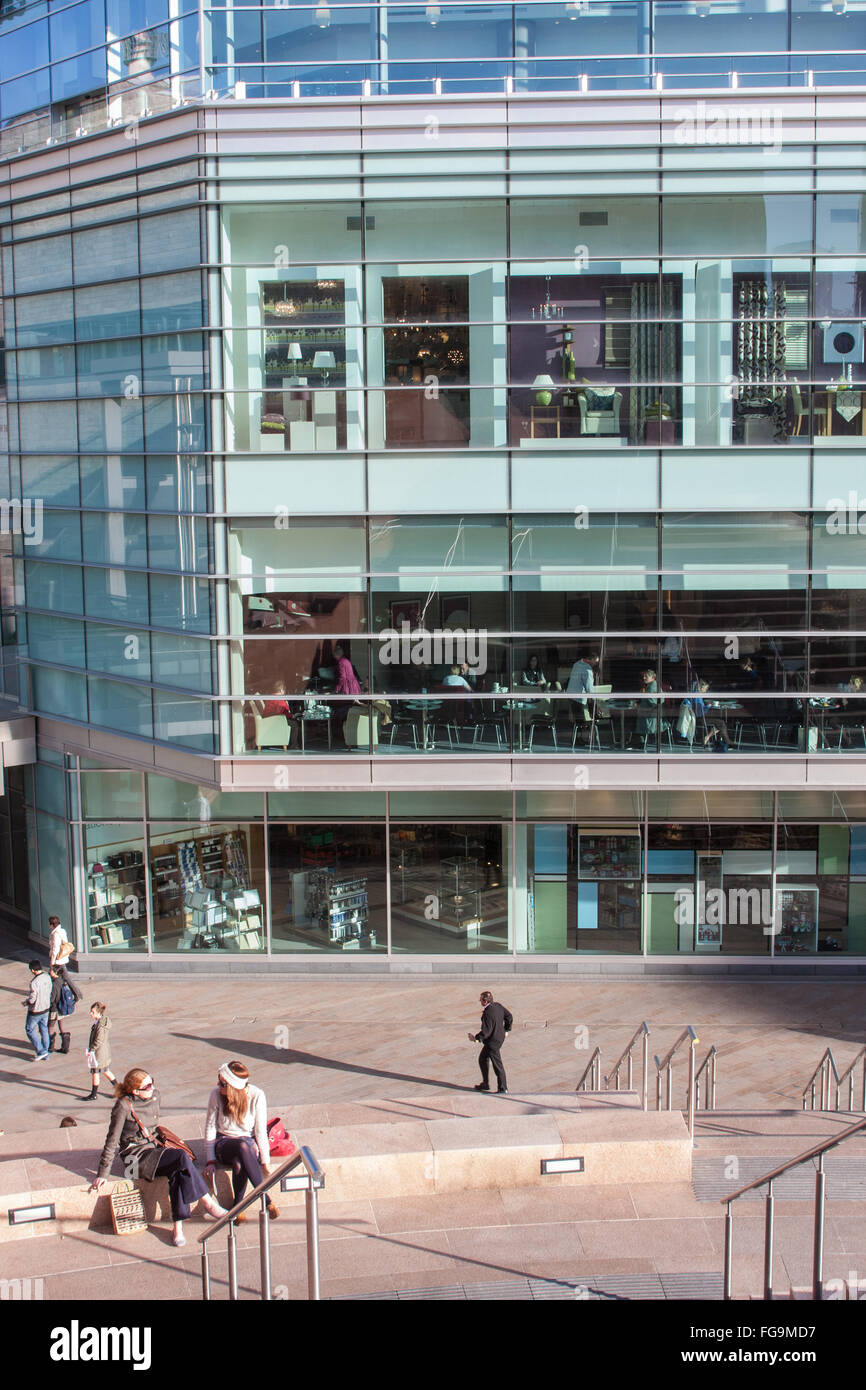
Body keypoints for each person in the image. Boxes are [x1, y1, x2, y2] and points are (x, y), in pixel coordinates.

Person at [89, 1068, 226, 1247]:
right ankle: (207, 1202)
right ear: (135, 1091)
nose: (152, 1087)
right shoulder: (123, 1106)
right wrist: (102, 1173)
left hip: (155, 1149)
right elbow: (111, 1140)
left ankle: (178, 1227)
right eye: (147, 1086)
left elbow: (153, 1128)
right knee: (180, 1158)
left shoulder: (155, 1096)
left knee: (178, 1170)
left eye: (152, 1081)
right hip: (135, 1158)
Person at [204, 1060, 279, 1221]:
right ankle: (265, 1198)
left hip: (247, 1142)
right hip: (224, 1142)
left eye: (223, 1083)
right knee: (242, 1147)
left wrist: (265, 1161)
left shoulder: (256, 1095)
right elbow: (210, 1127)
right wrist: (210, 1160)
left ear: (232, 1087)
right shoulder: (215, 1095)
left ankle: (238, 1207)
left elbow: (260, 1130)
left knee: (240, 1161)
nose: (218, 1086)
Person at [468, 990, 513, 1094]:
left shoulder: (487, 1013)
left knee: (497, 1065)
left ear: (485, 1002)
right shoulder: (498, 1006)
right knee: (483, 1058)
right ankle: (485, 1083)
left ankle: (503, 1088)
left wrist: (475, 1038)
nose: (479, 1002)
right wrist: (506, 1029)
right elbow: (509, 1016)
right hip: (499, 1036)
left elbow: (486, 1032)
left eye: (480, 1000)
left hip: (493, 1041)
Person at [83, 1001, 117, 1101]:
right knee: (106, 1071)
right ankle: (119, 1090)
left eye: (92, 1012)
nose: (90, 1013)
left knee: (95, 1072)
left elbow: (98, 1040)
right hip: (104, 1051)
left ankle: (93, 1094)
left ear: (98, 1012)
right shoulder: (102, 1020)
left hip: (98, 1053)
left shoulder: (100, 1025)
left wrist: (91, 1050)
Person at [21, 959, 52, 1061]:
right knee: (44, 1029)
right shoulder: (47, 977)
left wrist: (26, 1002)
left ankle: (41, 1051)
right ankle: (46, 1052)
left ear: (33, 970)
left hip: (36, 1011)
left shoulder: (34, 982)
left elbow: (32, 998)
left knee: (29, 1029)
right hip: (46, 1008)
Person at [48, 965, 81, 1053]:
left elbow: (51, 999)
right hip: (63, 1007)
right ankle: (65, 1047)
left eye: (51, 970)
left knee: (50, 1026)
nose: (49, 971)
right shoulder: (63, 981)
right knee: (62, 1026)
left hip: (55, 1009)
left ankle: (50, 1047)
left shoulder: (54, 984)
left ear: (55, 973)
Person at [48, 915, 78, 992]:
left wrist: (52, 963)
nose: (49, 926)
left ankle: (76, 993)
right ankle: (75, 993)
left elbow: (55, 949)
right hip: (62, 958)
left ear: (52, 925)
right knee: (64, 978)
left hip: (57, 960)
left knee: (55, 977)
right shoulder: (62, 931)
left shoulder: (55, 934)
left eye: (49, 924)